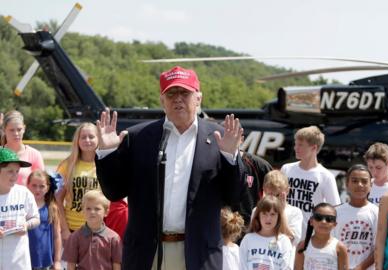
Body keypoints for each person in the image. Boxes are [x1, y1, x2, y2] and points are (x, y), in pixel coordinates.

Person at [95, 66, 245, 270]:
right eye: (171, 93)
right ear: (162, 100)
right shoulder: (138, 138)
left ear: (198, 97)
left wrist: (230, 157)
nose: (178, 99)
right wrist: (107, 154)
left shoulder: (219, 138)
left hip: (198, 253)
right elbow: (114, 192)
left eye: (185, 93)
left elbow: (234, 196)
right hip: (147, 253)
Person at [281, 126, 340, 239]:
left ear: (314, 148)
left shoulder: (326, 176)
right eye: (296, 144)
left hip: (310, 239)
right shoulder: (286, 169)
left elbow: (335, 209)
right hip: (285, 234)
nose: (295, 148)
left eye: (300, 145)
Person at [55, 123, 102, 241]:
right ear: (77, 140)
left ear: (98, 139)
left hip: (98, 229)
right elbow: (57, 200)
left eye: (91, 136)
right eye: (83, 137)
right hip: (72, 229)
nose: (87, 140)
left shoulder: (104, 165)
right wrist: (64, 229)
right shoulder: (66, 165)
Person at [0, 148, 40, 270]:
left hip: (20, 261)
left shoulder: (23, 193)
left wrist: (26, 225)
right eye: (10, 171)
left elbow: (36, 218)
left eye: (17, 171)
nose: (15, 176)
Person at [62, 190, 122, 270]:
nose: (92, 212)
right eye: (88, 208)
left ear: (106, 212)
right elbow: (71, 265)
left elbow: (116, 265)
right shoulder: (75, 237)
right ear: (83, 211)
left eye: (97, 209)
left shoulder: (114, 238)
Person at [333, 164, 378, 270]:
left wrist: (359, 268)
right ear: (347, 184)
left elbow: (379, 248)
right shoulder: (335, 212)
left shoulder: (378, 213)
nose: (360, 185)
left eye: (364, 181)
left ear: (371, 185)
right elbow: (330, 245)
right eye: (354, 181)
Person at [239, 195, 294, 270]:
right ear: (258, 215)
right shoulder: (248, 239)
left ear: (279, 217)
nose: (268, 218)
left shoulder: (284, 241)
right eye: (264, 214)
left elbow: (287, 267)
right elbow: (241, 265)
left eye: (272, 214)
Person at [294, 202, 348, 270]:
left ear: (335, 224)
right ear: (311, 221)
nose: (323, 221)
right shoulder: (302, 246)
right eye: (318, 217)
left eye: (329, 219)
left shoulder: (340, 248)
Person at [27, 170, 62, 270]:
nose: (37, 189)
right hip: (25, 258)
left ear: (48, 187)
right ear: (28, 185)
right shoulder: (23, 207)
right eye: (34, 185)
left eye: (42, 186)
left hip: (44, 259)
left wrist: (57, 261)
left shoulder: (52, 208)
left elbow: (56, 236)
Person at [257, 170, 303, 246]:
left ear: (287, 191)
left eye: (278, 195)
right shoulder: (257, 210)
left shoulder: (295, 212)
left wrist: (281, 211)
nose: (274, 199)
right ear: (264, 190)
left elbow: (292, 239)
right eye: (270, 195)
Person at [1, 110, 44, 185]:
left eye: (19, 129)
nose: (16, 133)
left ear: (24, 128)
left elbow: (41, 184)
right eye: (11, 130)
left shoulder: (35, 154)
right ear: (4, 130)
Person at [233, 149, 272, 228]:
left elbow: (276, 192)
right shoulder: (215, 162)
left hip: (250, 225)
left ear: (242, 139)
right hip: (223, 226)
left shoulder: (259, 165)